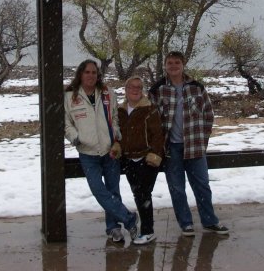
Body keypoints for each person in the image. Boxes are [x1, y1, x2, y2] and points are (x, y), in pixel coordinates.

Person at [149, 51, 229, 237]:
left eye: (177, 62)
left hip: (194, 146)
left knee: (202, 185)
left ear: (183, 65)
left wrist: (203, 140)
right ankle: (186, 224)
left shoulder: (196, 87)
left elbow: (208, 115)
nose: (173, 66)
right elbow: (151, 120)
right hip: (170, 148)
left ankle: (210, 221)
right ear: (165, 66)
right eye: (170, 62)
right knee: (177, 188)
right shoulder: (157, 89)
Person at [64, 59, 139, 243]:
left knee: (113, 191)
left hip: (109, 150)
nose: (91, 75)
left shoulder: (106, 92)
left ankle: (113, 228)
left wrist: (116, 138)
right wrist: (76, 138)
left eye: (94, 72)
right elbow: (66, 123)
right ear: (80, 74)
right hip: (87, 153)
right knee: (98, 189)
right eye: (87, 72)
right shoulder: (70, 96)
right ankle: (129, 219)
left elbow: (114, 116)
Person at [117, 76, 165, 245]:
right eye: (132, 87)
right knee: (138, 194)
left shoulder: (149, 109)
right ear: (126, 89)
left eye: (139, 87)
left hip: (147, 158)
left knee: (144, 194)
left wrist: (154, 155)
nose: (135, 90)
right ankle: (145, 227)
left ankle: (148, 231)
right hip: (129, 159)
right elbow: (117, 134)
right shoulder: (120, 110)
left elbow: (158, 134)